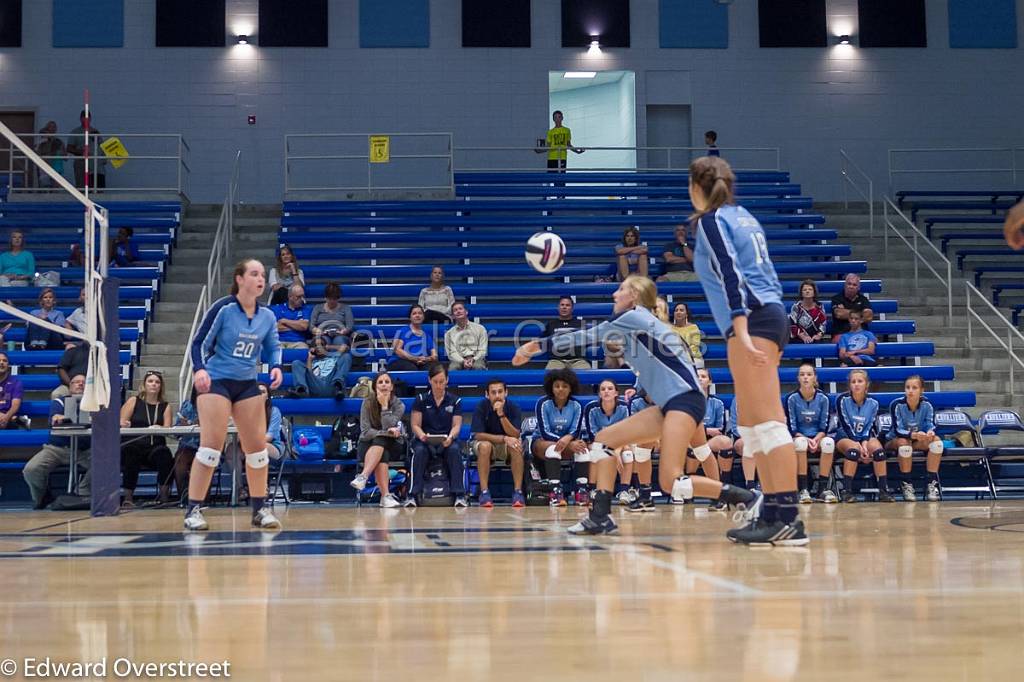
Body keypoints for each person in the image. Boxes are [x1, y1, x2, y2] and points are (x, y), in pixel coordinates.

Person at [514, 275, 760, 535]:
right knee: (604, 440)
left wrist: (535, 346)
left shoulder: (633, 317)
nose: (613, 295)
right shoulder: (639, 329)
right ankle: (600, 516)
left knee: (670, 481)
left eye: (619, 290)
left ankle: (749, 499)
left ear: (633, 295)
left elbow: (588, 336)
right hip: (670, 404)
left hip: (685, 400)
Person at [688, 155, 807, 545]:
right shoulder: (744, 216)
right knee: (754, 425)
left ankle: (788, 516)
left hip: (752, 319)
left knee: (769, 422)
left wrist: (739, 327)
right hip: (766, 313)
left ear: (695, 188)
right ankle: (772, 512)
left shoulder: (711, 221)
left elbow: (731, 274)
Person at [184, 258, 284, 531]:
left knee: (257, 451)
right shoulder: (224, 308)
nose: (260, 279)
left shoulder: (267, 316)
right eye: (254, 274)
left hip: (246, 383)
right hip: (216, 381)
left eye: (263, 274)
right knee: (210, 448)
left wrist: (276, 366)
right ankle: (193, 509)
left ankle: (259, 509)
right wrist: (199, 369)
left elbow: (274, 346)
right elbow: (199, 343)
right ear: (240, 279)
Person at [22, 374, 91, 509]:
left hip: (85, 450)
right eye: (76, 382)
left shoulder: (95, 403)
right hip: (56, 448)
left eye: (83, 382)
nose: (80, 384)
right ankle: (42, 497)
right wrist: (57, 417)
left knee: (106, 463)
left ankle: (81, 492)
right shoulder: (59, 401)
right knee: (31, 470)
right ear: (69, 387)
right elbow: (54, 419)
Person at [526, 368, 587, 507]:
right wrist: (566, 441)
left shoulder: (577, 405)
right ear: (551, 388)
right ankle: (555, 492)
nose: (560, 389)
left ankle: (581, 491)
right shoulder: (543, 403)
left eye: (565, 386)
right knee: (553, 449)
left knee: (584, 450)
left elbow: (576, 431)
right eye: (557, 386)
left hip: (567, 443)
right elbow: (544, 431)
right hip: (541, 443)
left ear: (571, 388)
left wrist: (568, 440)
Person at [408, 364, 467, 508]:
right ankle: (413, 495)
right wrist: (422, 436)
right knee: (419, 451)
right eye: (435, 382)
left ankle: (459, 494)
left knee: (454, 450)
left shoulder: (455, 401)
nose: (438, 385)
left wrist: (450, 438)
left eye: (441, 381)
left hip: (446, 440)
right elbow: (415, 424)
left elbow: (456, 426)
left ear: (447, 380)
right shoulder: (421, 399)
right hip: (424, 440)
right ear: (429, 380)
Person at [350, 372, 406, 508]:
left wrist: (385, 406)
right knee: (382, 449)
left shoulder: (399, 405)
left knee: (382, 442)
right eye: (380, 382)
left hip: (394, 444)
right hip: (368, 444)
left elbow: (389, 424)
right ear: (375, 387)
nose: (384, 385)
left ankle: (363, 476)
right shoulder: (367, 403)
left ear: (392, 386)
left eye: (387, 382)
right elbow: (365, 431)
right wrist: (385, 433)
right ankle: (385, 496)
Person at [119, 370, 173, 508]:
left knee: (165, 455)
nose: (154, 384)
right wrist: (124, 424)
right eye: (150, 381)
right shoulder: (134, 401)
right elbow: (121, 421)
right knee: (131, 453)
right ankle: (128, 498)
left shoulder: (165, 406)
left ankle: (164, 497)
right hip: (135, 444)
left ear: (161, 386)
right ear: (144, 384)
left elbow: (168, 428)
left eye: (157, 382)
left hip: (154, 447)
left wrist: (160, 428)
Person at [885, 375, 944, 502]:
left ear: (922, 390)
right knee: (904, 442)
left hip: (916, 441)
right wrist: (913, 435)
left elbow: (931, 424)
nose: (910, 391)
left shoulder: (927, 405)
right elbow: (897, 429)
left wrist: (929, 432)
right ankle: (907, 483)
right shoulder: (896, 404)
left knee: (937, 442)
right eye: (907, 387)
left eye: (914, 388)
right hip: (894, 440)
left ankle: (931, 483)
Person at [835, 369, 889, 503]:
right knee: (853, 451)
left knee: (879, 451)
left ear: (867, 384)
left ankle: (883, 490)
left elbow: (870, 425)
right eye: (853, 382)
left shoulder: (873, 403)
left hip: (864, 436)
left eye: (860, 381)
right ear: (849, 385)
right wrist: (858, 445)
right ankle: (846, 491)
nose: (856, 384)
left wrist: (865, 443)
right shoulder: (842, 399)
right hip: (845, 436)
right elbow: (845, 424)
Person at [785, 363, 836, 504]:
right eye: (802, 375)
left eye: (809, 374)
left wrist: (816, 439)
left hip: (818, 437)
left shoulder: (823, 398)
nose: (806, 378)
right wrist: (806, 439)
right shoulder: (792, 398)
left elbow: (824, 426)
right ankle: (803, 489)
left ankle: (822, 489)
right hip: (799, 437)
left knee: (829, 443)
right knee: (801, 444)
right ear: (798, 378)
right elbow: (792, 427)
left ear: (815, 378)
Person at [471, 379, 524, 508]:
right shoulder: (481, 407)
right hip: (488, 443)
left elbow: (515, 434)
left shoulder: (513, 407)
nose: (497, 396)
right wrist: (504, 439)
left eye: (500, 392)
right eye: (493, 392)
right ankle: (484, 493)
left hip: (507, 444)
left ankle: (518, 492)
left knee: (516, 445)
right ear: (487, 394)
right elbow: (478, 434)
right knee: (484, 446)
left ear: (506, 393)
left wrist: (501, 415)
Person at [583, 380, 632, 509]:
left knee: (627, 453)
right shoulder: (591, 408)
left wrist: (616, 450)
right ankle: (593, 490)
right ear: (599, 394)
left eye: (610, 389)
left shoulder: (624, 407)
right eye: (603, 389)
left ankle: (624, 491)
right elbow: (593, 436)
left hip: (620, 442)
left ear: (616, 393)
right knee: (595, 452)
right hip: (596, 443)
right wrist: (611, 450)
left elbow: (626, 434)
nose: (606, 391)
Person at [695, 368, 730, 511]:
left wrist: (704, 431)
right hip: (690, 440)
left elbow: (719, 430)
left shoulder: (717, 403)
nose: (700, 379)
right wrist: (707, 430)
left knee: (725, 442)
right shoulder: (686, 402)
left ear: (709, 381)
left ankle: (725, 490)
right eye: (697, 376)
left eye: (703, 376)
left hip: (709, 441)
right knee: (695, 449)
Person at [290, 335, 351, 399]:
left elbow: (345, 347)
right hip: (315, 385)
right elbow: (309, 374)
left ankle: (338, 387)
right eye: (316, 346)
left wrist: (327, 347)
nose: (319, 347)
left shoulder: (334, 356)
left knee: (346, 356)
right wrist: (310, 358)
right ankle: (301, 391)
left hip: (331, 384)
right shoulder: (312, 360)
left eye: (321, 345)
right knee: (296, 363)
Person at [541, 296, 589, 371]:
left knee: (586, 375)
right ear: (558, 307)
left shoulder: (581, 324)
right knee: (549, 375)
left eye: (567, 305)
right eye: (562, 305)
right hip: (556, 361)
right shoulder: (550, 325)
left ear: (572, 308)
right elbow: (543, 342)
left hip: (578, 360)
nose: (564, 307)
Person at [388, 304, 438, 371]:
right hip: (400, 361)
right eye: (414, 313)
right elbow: (397, 350)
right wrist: (415, 358)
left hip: (420, 363)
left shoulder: (427, 336)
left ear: (423, 317)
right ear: (410, 317)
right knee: (411, 368)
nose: (417, 315)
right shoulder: (402, 331)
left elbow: (435, 356)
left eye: (420, 313)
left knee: (434, 369)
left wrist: (425, 359)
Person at [309, 281, 354, 351]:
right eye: (330, 298)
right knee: (321, 343)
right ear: (325, 297)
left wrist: (343, 331)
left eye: (334, 299)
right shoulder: (317, 308)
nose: (332, 301)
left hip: (340, 335)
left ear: (338, 298)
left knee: (339, 342)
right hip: (322, 334)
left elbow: (349, 326)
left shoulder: (346, 308)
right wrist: (318, 331)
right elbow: (311, 326)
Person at [444, 300, 488, 371]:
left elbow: (483, 349)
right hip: (458, 360)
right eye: (455, 310)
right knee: (453, 368)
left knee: (478, 366)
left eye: (460, 309)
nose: (458, 311)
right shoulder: (449, 333)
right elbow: (452, 353)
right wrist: (463, 361)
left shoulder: (480, 329)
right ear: (453, 316)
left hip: (476, 359)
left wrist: (473, 359)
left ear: (466, 312)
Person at [66, 110, 104, 189]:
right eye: (84, 118)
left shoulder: (95, 131)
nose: (86, 120)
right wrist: (82, 152)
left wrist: (103, 159)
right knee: (81, 186)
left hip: (94, 163)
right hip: (81, 162)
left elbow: (102, 146)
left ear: (90, 119)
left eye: (88, 118)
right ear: (80, 119)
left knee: (95, 186)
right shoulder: (75, 132)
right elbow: (69, 148)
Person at [830, 273, 873, 339]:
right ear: (845, 285)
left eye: (854, 285)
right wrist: (860, 312)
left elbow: (868, 317)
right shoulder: (836, 298)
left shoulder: (863, 299)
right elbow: (839, 314)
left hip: (861, 333)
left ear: (858, 288)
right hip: (842, 334)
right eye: (849, 284)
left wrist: (846, 312)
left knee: (872, 341)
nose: (851, 286)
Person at [172, 394, 200, 497]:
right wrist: (183, 426)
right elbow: (176, 433)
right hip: (187, 446)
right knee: (180, 458)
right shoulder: (186, 405)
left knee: (205, 460)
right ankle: (183, 496)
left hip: (206, 446)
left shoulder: (215, 405)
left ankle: (202, 498)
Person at [271, 284, 313, 349]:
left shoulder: (306, 309)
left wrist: (284, 321)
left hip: (298, 342)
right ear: (290, 296)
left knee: (303, 349)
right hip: (279, 341)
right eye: (298, 297)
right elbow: (274, 328)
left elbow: (304, 326)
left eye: (303, 296)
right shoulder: (277, 309)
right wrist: (297, 325)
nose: (302, 299)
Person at [789, 279, 827, 344]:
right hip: (798, 338)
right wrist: (803, 336)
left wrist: (819, 335)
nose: (807, 291)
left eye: (810, 289)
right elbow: (792, 325)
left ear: (814, 292)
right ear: (801, 293)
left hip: (815, 338)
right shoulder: (796, 307)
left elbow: (823, 324)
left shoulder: (820, 307)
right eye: (805, 290)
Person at [671, 302, 703, 366]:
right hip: (675, 358)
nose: (678, 312)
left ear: (686, 314)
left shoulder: (693, 328)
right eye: (676, 310)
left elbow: (694, 348)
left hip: (693, 358)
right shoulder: (669, 328)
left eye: (681, 310)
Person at [35, 121, 65, 188]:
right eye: (50, 127)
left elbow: (65, 156)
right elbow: (37, 151)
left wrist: (61, 153)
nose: (52, 129)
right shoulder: (42, 141)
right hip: (44, 166)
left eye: (54, 127)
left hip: (56, 167)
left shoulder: (58, 141)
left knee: (55, 187)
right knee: (44, 185)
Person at [0, 352, 25, 429]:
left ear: (8, 365)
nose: (1, 363)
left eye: (4, 361)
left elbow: (15, 405)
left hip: (8, 418)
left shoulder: (16, 383)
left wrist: (6, 418)